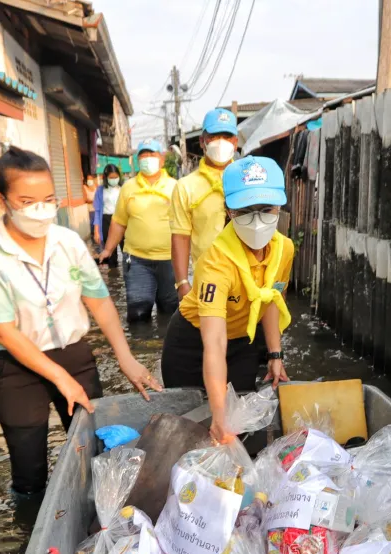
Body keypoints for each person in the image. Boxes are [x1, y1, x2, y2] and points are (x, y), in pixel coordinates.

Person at [0, 147, 162, 497]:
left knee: (94, 455)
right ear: (2, 200)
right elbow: (2, 330)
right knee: (29, 475)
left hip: (75, 356)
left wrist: (125, 357)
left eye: (48, 199)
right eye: (27, 201)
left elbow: (100, 302)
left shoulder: (68, 242)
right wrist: (60, 379)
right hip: (20, 365)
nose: (40, 209)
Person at [160, 156, 292, 443]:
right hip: (193, 344)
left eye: (266, 210)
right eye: (245, 211)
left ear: (280, 206)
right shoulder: (215, 262)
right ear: (229, 210)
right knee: (191, 427)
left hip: (243, 339)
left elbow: (270, 300)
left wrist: (274, 354)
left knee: (238, 427)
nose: (257, 221)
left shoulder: (285, 249)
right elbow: (214, 342)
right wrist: (218, 416)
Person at [97, 139, 178, 322]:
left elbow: (186, 224)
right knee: (138, 314)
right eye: (143, 154)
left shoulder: (175, 187)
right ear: (137, 159)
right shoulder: (128, 188)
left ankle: (166, 350)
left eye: (152, 154)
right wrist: (108, 250)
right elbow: (119, 222)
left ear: (162, 159)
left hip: (169, 260)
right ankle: (137, 349)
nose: (147, 158)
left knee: (170, 312)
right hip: (136, 260)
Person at [169, 108, 239, 300]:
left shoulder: (247, 178)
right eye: (214, 136)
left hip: (247, 278)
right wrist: (182, 283)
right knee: (210, 330)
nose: (221, 142)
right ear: (202, 141)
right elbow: (181, 237)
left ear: (236, 142)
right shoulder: (185, 187)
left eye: (227, 136)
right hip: (208, 281)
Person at [92, 164, 122, 271]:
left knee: (126, 250)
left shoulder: (123, 189)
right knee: (110, 252)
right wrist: (96, 231)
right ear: (106, 177)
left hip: (122, 220)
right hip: (106, 221)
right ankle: (114, 274)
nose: (114, 179)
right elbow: (97, 211)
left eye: (115, 177)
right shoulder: (100, 190)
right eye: (111, 177)